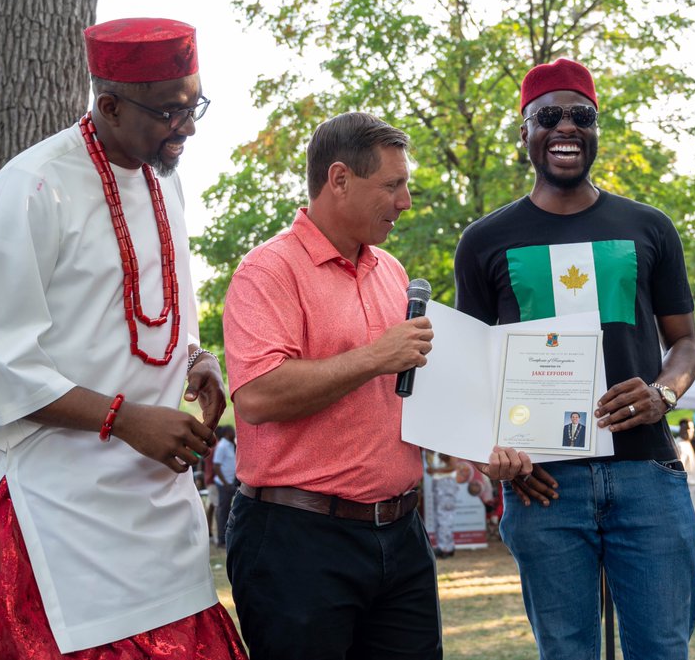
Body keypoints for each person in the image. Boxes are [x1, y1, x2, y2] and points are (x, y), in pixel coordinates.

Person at [0, 18, 246, 658]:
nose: (189, 127)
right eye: (169, 112)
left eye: (194, 104)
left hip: (155, 512)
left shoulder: (165, 178)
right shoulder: (30, 189)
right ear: (109, 105)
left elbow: (153, 316)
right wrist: (125, 419)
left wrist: (197, 358)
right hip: (49, 512)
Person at [222, 112, 526, 659]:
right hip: (297, 539)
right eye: (392, 185)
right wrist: (373, 358)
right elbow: (258, 396)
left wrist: (476, 446)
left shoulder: (391, 270)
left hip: (402, 534)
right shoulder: (266, 271)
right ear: (339, 179)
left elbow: (409, 390)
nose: (405, 201)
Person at [454, 58, 695, 660]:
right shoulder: (483, 241)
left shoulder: (649, 227)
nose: (566, 126)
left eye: (581, 116)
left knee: (663, 650)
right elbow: (469, 368)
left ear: (596, 130)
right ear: (525, 132)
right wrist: (496, 452)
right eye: (549, 117)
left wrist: (663, 393)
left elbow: (685, 345)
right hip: (543, 486)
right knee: (565, 653)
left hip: (647, 473)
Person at [427, 451, 460, 558]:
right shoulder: (434, 448)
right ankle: (446, 546)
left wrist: (435, 470)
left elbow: (453, 466)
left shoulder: (448, 446)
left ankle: (445, 547)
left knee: (444, 515)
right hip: (438, 482)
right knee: (439, 515)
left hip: (446, 482)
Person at [676, 419, 695, 522]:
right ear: (680, 429)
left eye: (691, 428)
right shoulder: (680, 445)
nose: (689, 431)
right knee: (694, 519)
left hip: (693, 485)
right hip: (688, 486)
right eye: (686, 428)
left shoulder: (686, 443)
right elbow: (679, 469)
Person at [213, 424, 237, 547]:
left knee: (230, 511)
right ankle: (221, 539)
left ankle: (228, 537)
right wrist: (225, 483)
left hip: (231, 482)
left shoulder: (231, 445)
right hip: (224, 484)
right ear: (227, 433)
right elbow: (216, 466)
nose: (234, 432)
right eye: (232, 431)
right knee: (223, 511)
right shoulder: (222, 446)